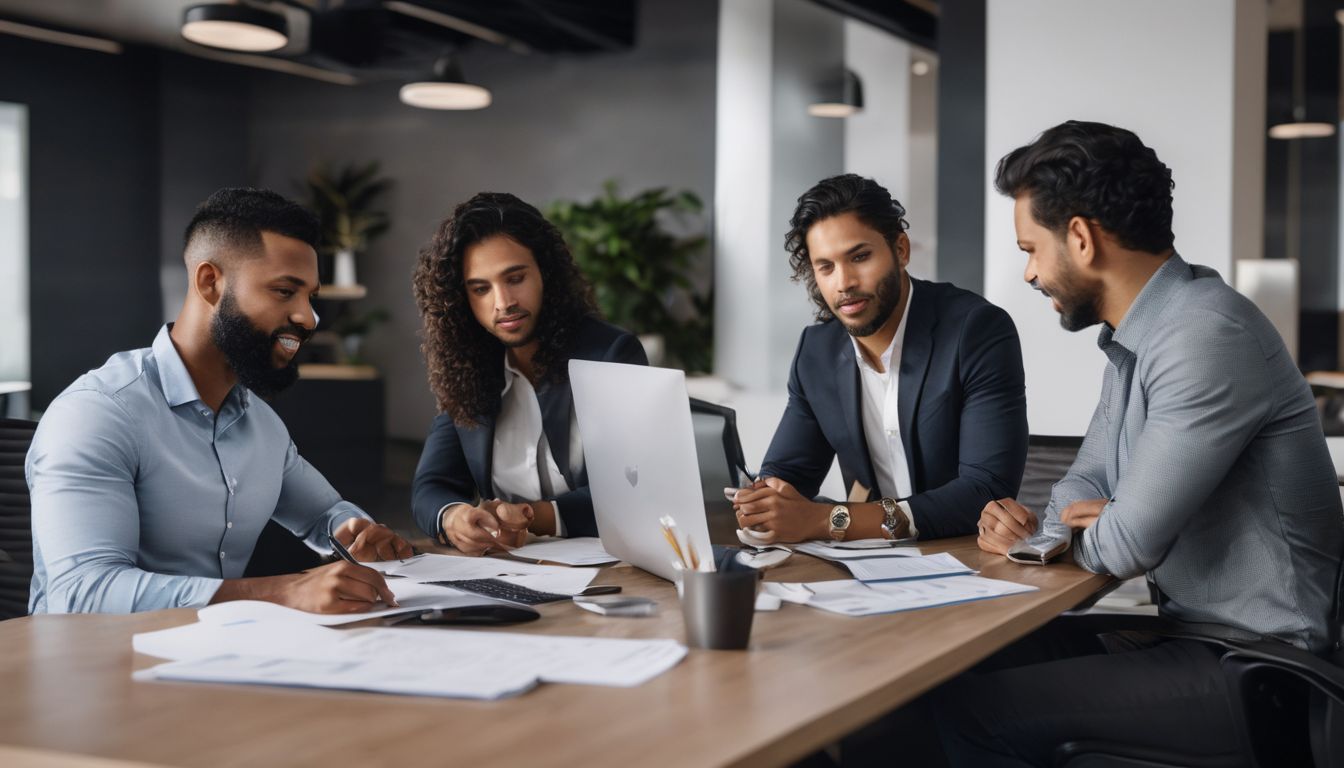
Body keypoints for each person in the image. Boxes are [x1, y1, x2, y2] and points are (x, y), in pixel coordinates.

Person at [937, 120, 1344, 764]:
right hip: (1192, 637)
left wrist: (1100, 527)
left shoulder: (1205, 334)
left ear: (1079, 237)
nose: (1029, 273)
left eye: (1030, 249)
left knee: (965, 718)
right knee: (956, 670)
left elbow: (1128, 544)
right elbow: (1081, 487)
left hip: (1263, 667)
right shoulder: (1141, 341)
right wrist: (1093, 523)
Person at [28, 187, 411, 615]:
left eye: (311, 297)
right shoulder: (98, 414)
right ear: (210, 282)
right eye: (285, 292)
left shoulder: (260, 423)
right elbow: (83, 592)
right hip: (90, 668)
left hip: (212, 655)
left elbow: (326, 515)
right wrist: (280, 592)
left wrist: (355, 531)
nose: (307, 318)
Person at [734, 174, 1027, 543]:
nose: (844, 282)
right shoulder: (817, 351)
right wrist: (766, 500)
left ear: (900, 250)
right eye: (826, 267)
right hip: (869, 568)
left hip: (967, 557)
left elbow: (985, 491)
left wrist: (831, 520)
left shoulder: (975, 330)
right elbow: (788, 473)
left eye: (859, 257)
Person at [411, 192, 647, 555]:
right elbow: (431, 486)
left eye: (515, 277)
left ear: (545, 274)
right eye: (480, 288)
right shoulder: (470, 368)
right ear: (462, 300)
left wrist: (531, 516)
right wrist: (454, 517)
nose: (503, 302)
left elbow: (634, 487)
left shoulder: (610, 355)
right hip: (507, 566)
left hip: (607, 567)